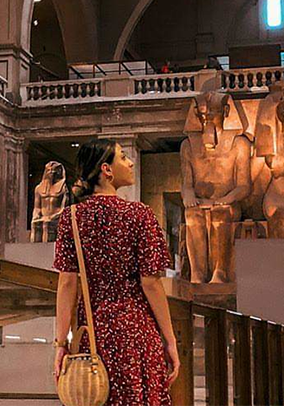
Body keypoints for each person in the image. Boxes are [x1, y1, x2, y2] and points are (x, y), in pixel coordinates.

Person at [53, 139, 180, 405]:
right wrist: (170, 339)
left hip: (94, 332)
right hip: (137, 330)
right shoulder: (139, 215)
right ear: (106, 169)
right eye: (123, 157)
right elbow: (151, 284)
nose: (130, 163)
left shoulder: (72, 218)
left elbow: (67, 284)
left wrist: (61, 344)